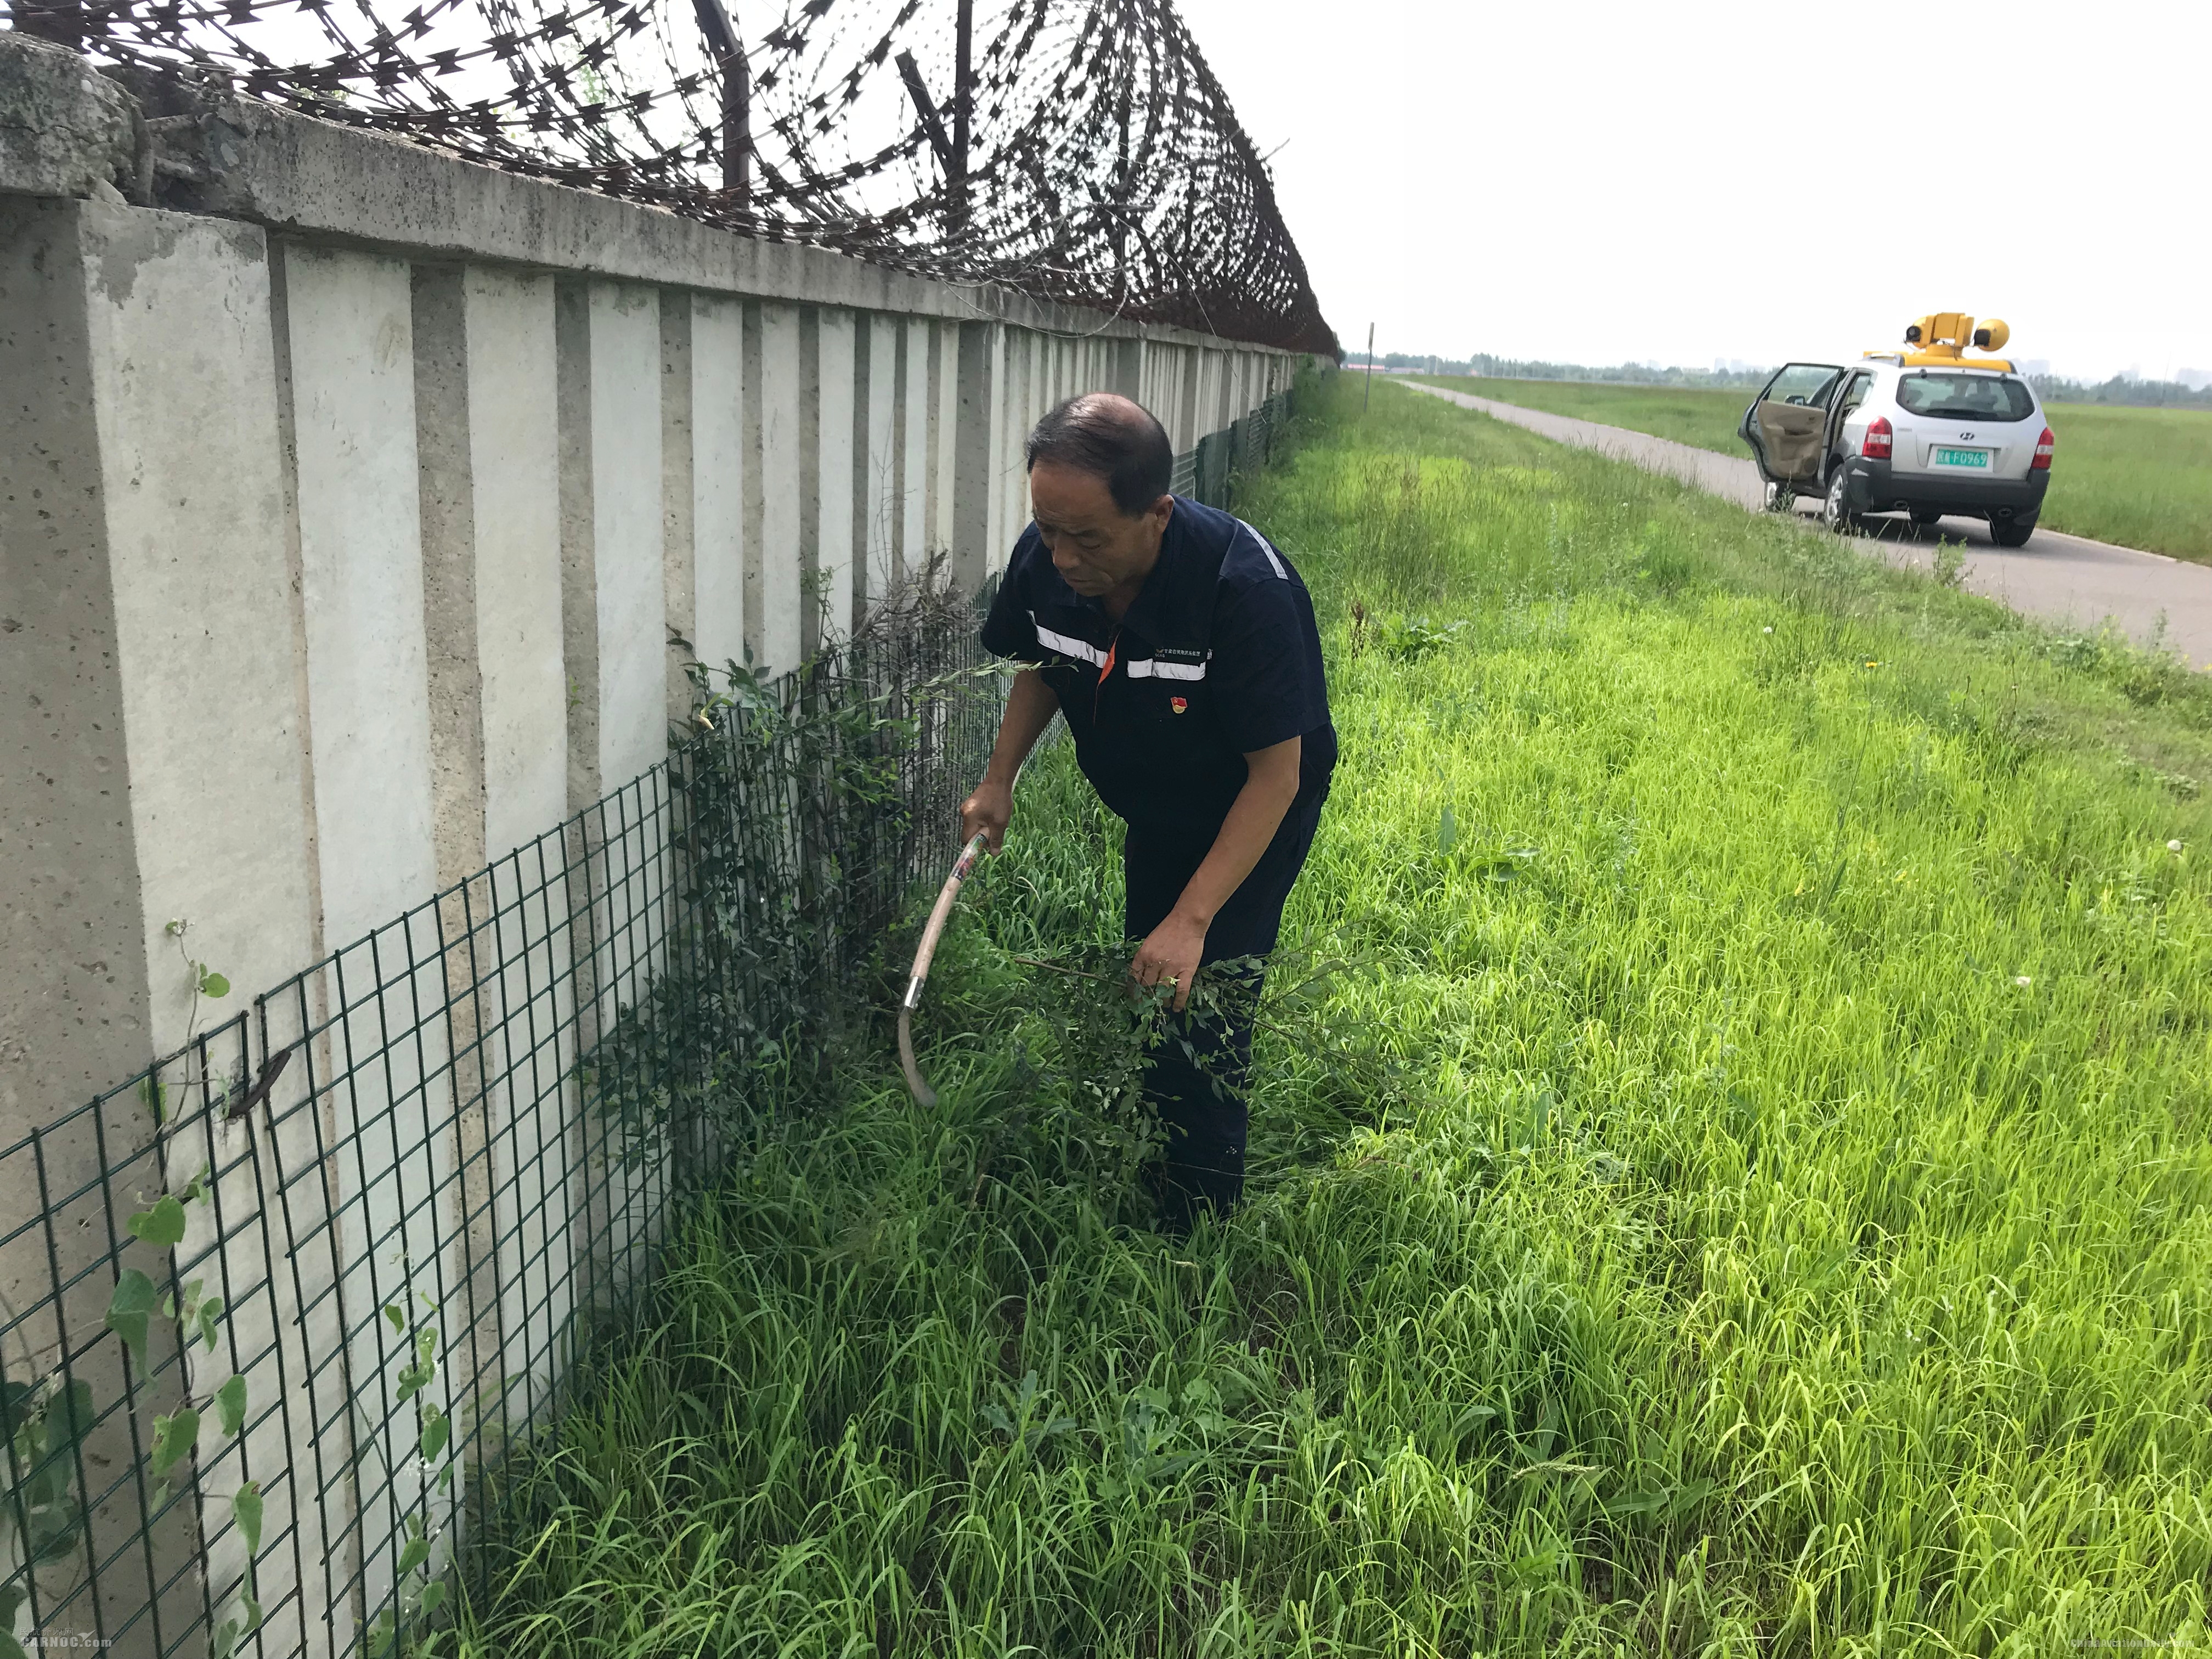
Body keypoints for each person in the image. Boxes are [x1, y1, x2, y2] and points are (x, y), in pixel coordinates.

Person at [960, 391, 1336, 1235]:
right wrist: (999, 780)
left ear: (1157, 514)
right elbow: (1040, 665)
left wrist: (1197, 916)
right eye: (1047, 528)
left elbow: (1278, 775)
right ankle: (1158, 1134)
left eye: (1086, 538)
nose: (1059, 557)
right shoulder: (1047, 558)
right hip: (1158, 802)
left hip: (1250, 802)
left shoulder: (1246, 593)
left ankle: (1196, 1228)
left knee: (1199, 999)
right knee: (1154, 968)